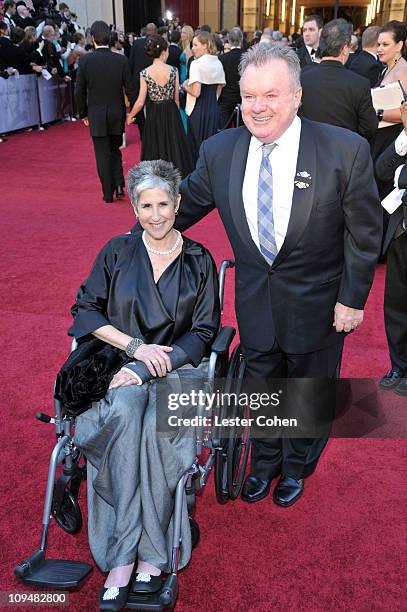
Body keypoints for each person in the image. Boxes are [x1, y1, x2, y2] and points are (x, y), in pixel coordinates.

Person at [161, 44, 382, 507]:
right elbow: (183, 207)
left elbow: (364, 234)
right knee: (263, 393)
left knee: (307, 391)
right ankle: (263, 464)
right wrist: (139, 235)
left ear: (297, 96)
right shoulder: (219, 150)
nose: (257, 107)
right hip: (256, 302)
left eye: (271, 95)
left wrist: (352, 299)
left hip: (320, 306)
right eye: (248, 96)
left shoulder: (344, 150)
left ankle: (297, 467)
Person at [71, 159, 220, 611]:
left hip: (179, 370)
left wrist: (154, 363)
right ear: (134, 209)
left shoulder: (199, 259)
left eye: (163, 204)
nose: (156, 215)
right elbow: (86, 311)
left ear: (178, 203)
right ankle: (121, 556)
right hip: (116, 362)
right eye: (145, 206)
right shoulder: (117, 251)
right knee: (125, 411)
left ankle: (152, 556)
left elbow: (204, 332)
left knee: (159, 423)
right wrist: (136, 350)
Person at [75, 20, 136, 204]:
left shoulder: (85, 61)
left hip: (97, 115)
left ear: (92, 38)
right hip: (117, 114)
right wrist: (131, 111)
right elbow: (130, 88)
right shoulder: (121, 59)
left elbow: (79, 91)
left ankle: (108, 193)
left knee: (102, 154)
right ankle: (118, 186)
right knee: (115, 150)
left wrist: (83, 113)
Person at [299, 19, 378, 141]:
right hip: (344, 154)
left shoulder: (301, 77)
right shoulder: (359, 84)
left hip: (307, 149)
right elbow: (369, 128)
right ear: (345, 49)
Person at [127, 35, 194, 178]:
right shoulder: (173, 71)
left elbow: (140, 101)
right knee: (174, 147)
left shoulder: (145, 73)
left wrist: (130, 115)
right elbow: (176, 99)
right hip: (171, 112)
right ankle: (174, 181)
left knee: (155, 147)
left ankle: (156, 181)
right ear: (164, 52)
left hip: (154, 114)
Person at [376, 102, 407, 395]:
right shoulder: (404, 136)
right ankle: (399, 365)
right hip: (401, 232)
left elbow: (400, 177)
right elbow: (382, 169)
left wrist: (401, 176)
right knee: (396, 304)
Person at [370, 21, 407, 198]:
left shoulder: (403, 70)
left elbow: (405, 112)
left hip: (392, 140)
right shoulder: (386, 69)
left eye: (385, 44)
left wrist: (378, 113)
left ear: (400, 45)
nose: (379, 49)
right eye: (378, 44)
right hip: (380, 136)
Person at [182, 31, 225, 161]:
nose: (193, 48)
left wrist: (184, 86)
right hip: (213, 109)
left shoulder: (196, 64)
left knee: (195, 147)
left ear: (205, 45)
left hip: (197, 109)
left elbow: (196, 92)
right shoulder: (218, 63)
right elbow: (220, 86)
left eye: (195, 45)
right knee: (210, 146)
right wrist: (213, 100)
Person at [128, 22, 156, 139]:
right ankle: (152, 132)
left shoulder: (136, 43)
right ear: (154, 31)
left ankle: (143, 133)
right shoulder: (157, 43)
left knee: (139, 106)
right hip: (153, 79)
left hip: (137, 80)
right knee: (152, 106)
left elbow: (131, 63)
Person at [218, 27, 243, 130]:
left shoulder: (222, 58)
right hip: (243, 98)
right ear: (241, 39)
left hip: (226, 98)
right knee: (243, 130)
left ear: (230, 41)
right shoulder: (248, 56)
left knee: (223, 130)